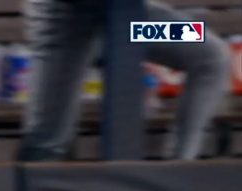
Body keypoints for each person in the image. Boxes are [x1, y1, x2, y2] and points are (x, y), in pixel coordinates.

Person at [16, 0, 231, 161]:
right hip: (66, 19)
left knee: (210, 54)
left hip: (129, 22)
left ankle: (180, 168)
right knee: (46, 143)